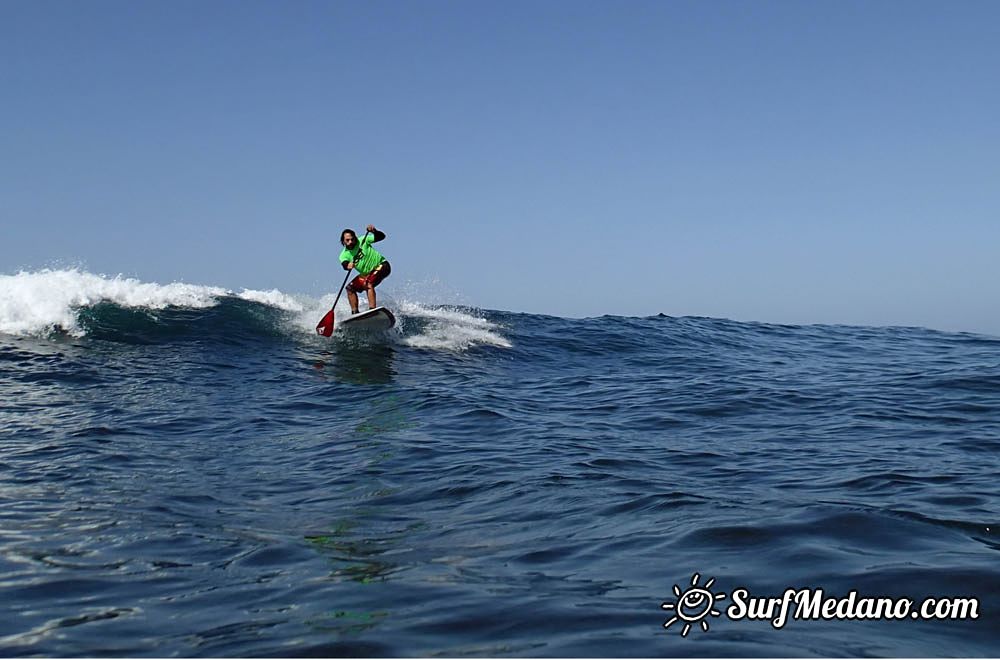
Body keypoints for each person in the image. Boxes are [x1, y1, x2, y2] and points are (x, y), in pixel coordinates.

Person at [339, 224, 391, 314]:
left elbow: (382, 237)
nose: (350, 242)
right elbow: (344, 264)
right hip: (367, 274)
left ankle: (372, 310)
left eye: (352, 239)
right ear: (343, 241)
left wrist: (374, 231)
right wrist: (348, 266)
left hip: (382, 266)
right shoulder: (344, 255)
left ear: (355, 238)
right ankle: (355, 313)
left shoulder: (363, 240)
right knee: (350, 288)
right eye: (347, 240)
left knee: (368, 283)